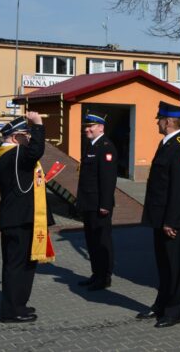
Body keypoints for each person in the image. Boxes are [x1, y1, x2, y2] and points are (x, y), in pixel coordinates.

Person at [136, 101, 180, 328]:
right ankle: (161, 304)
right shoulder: (166, 144)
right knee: (163, 265)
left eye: (159, 119)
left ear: (168, 121)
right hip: (160, 217)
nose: (157, 123)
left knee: (174, 266)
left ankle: (174, 311)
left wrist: (171, 220)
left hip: (172, 220)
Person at [0, 112, 54, 323]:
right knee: (16, 266)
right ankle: (11, 311)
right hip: (17, 220)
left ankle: (19, 304)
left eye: (30, 134)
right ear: (15, 137)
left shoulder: (8, 155)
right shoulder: (13, 154)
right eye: (26, 134)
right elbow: (36, 150)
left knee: (24, 265)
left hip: (20, 218)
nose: (29, 138)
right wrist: (38, 123)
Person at [76, 111, 117, 291]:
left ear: (100, 127)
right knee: (91, 241)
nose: (87, 130)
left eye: (90, 127)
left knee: (102, 241)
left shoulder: (106, 147)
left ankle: (104, 277)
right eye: (85, 127)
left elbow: (108, 180)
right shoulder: (91, 146)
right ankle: (96, 273)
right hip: (89, 202)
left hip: (99, 205)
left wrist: (105, 205)